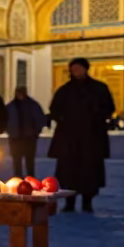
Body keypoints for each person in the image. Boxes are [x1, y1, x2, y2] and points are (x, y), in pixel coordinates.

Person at [49, 58, 115, 212]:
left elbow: (108, 108)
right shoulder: (64, 90)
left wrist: (96, 117)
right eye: (73, 69)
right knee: (68, 172)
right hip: (69, 140)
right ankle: (69, 202)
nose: (76, 72)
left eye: (79, 69)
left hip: (91, 138)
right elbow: (55, 110)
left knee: (89, 172)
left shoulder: (99, 89)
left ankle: (87, 201)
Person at [6, 86, 46, 178]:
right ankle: (19, 179)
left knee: (29, 162)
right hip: (17, 138)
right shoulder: (32, 105)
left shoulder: (13, 106)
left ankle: (29, 179)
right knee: (18, 162)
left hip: (28, 138)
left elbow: (40, 119)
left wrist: (36, 131)